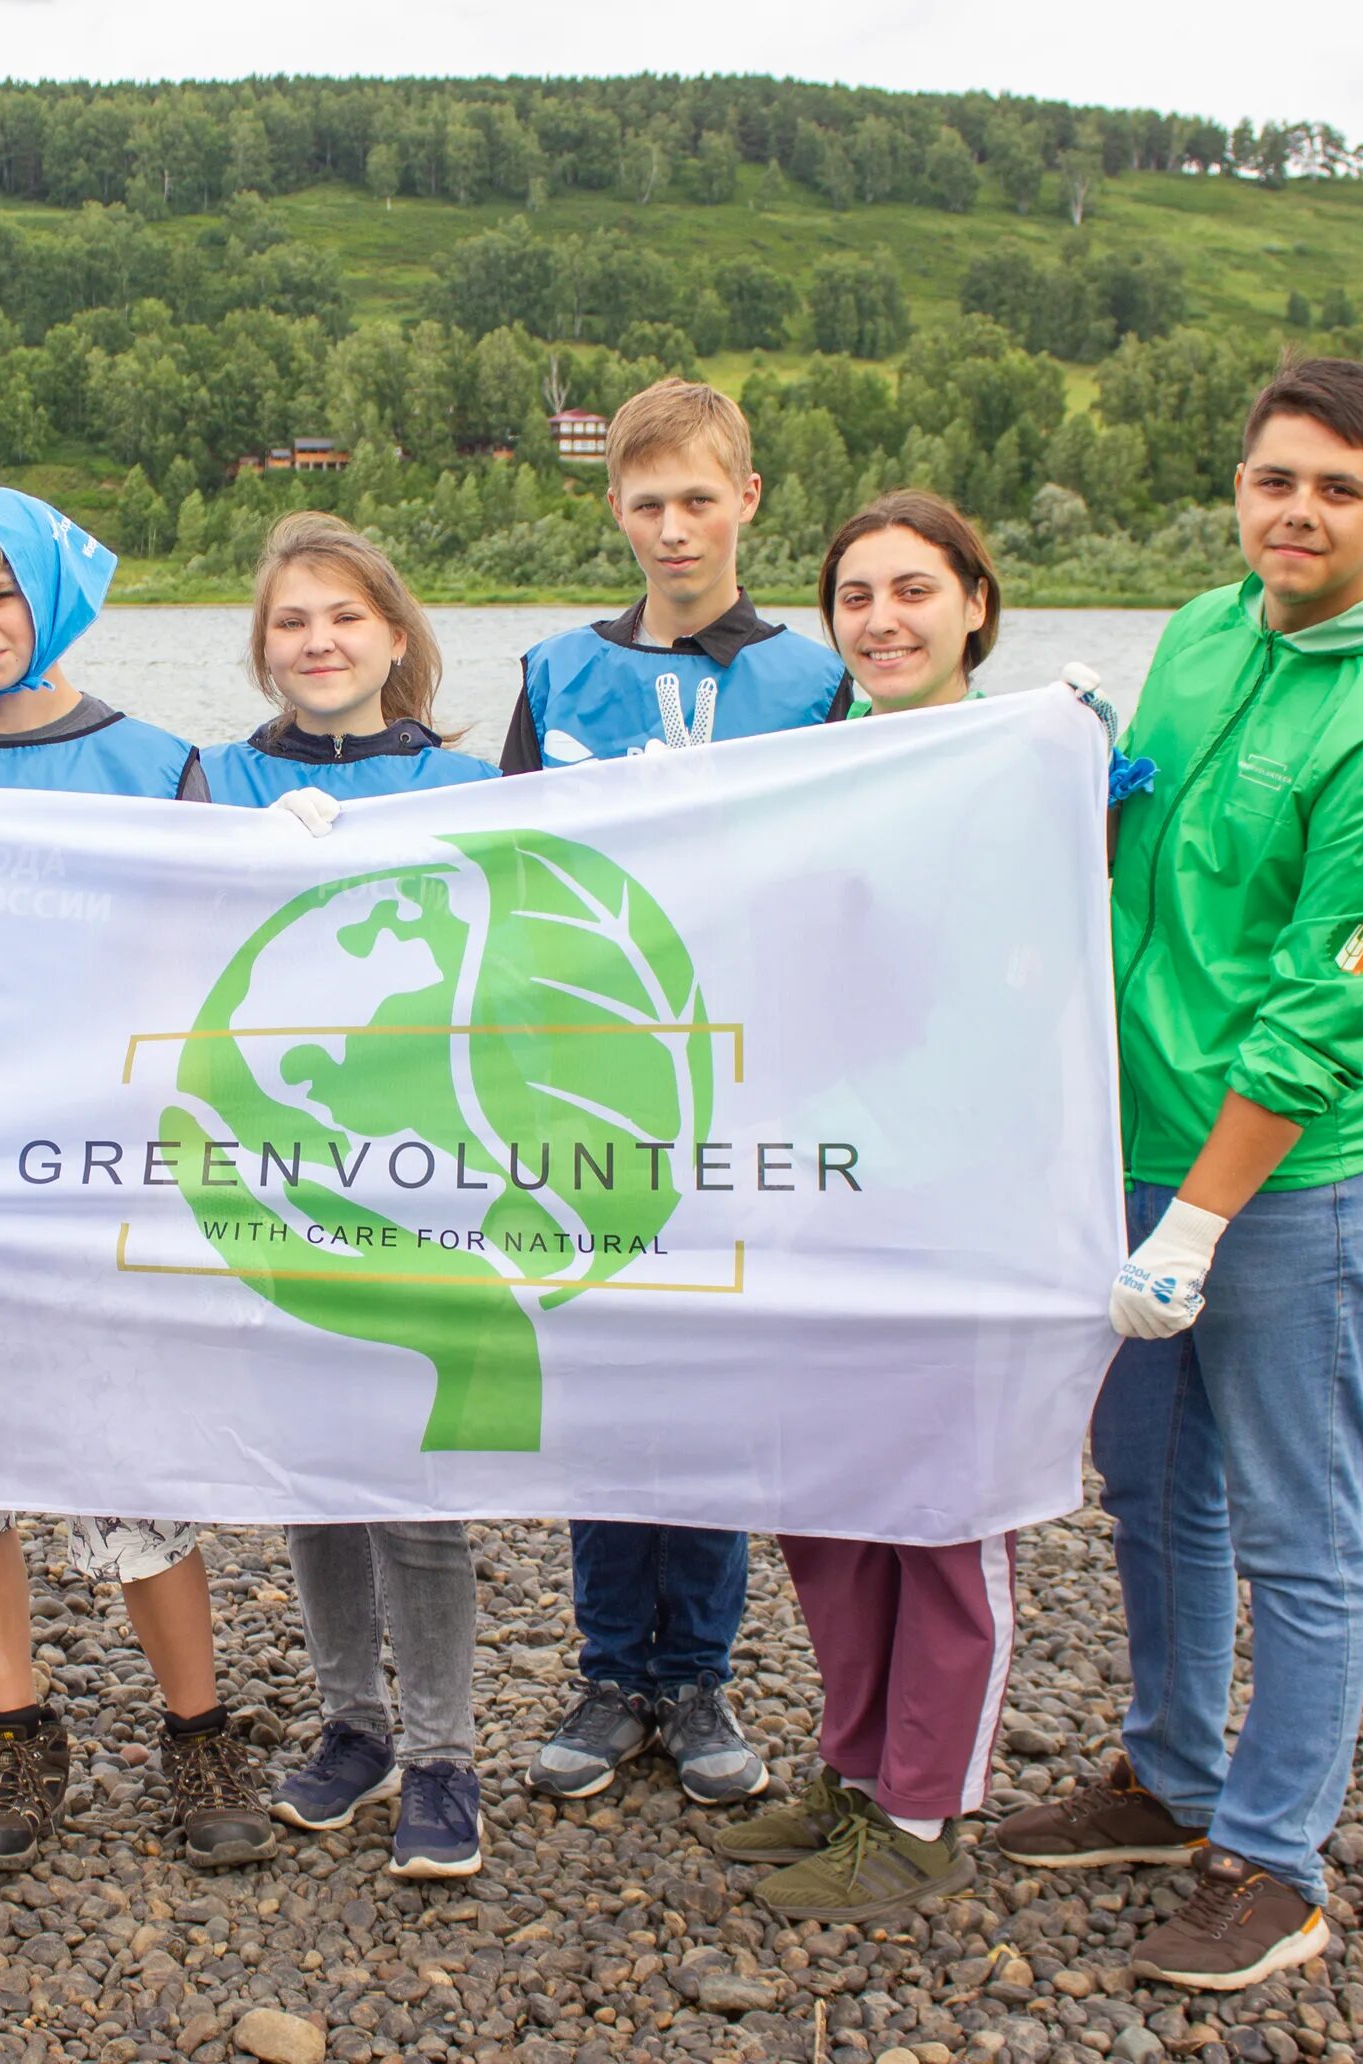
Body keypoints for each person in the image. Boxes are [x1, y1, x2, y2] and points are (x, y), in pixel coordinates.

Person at [992, 359, 1363, 1993]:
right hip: (1131, 1156)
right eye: (1277, 480)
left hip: (1295, 1185)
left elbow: (1318, 1013)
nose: (1299, 512)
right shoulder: (1205, 634)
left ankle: (1274, 1865)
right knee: (1153, 1489)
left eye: (1339, 490)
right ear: (1241, 486)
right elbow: (1140, 877)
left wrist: (1202, 1216)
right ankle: (1170, 1775)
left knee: (1299, 1527)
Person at [0, 485, 276, 1873]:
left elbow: (215, 976)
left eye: (0, 597)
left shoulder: (160, 765)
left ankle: (197, 1727)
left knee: (133, 1450)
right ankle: (16, 1730)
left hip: (107, 1170)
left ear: (56, 593)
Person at [503, 376, 850, 1810]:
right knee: (606, 1374)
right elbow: (504, 867)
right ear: (615, 511)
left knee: (710, 1381)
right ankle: (606, 1668)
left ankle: (696, 1672)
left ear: (747, 502)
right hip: (589, 1088)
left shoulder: (816, 680)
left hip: (744, 1084)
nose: (672, 527)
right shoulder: (553, 676)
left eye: (697, 499)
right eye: (646, 503)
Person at [708, 490, 1039, 1920]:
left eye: (915, 590)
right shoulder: (812, 771)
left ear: (976, 602)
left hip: (957, 1200)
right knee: (829, 1502)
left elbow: (1004, 1012)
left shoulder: (1020, 768)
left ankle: (923, 1815)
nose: (883, 620)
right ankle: (852, 1773)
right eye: (855, 596)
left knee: (943, 1510)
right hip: (818, 1196)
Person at [195, 512, 499, 1878]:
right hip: (276, 1163)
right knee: (317, 1464)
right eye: (291, 622)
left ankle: (444, 1754)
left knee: (417, 1475)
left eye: (343, 618)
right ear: (265, 650)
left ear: (395, 634)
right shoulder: (211, 780)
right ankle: (351, 1724)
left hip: (429, 1175)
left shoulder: (470, 778)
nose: (318, 642)